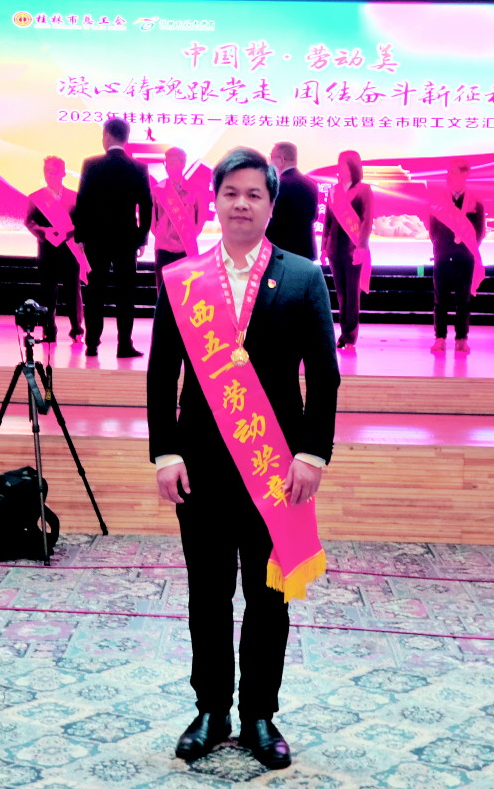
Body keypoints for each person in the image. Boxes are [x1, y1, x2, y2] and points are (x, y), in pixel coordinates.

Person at [147, 147, 339, 770]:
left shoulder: (304, 277)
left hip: (275, 470)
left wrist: (311, 454)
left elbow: (325, 376)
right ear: (215, 202)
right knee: (207, 595)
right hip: (200, 468)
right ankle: (210, 710)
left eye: (254, 194)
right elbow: (161, 375)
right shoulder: (183, 278)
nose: (241, 204)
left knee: (267, 596)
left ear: (271, 205)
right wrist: (165, 452)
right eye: (231, 193)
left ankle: (259, 712)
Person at [73, 118, 152, 358]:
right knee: (125, 294)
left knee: (95, 292)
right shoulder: (138, 167)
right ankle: (124, 345)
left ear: (107, 135)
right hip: (126, 239)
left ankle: (92, 344)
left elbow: (82, 201)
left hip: (96, 239)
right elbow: (146, 205)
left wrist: (80, 236)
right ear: (126, 138)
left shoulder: (91, 164)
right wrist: (142, 238)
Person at [25, 156, 89, 343]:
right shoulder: (36, 198)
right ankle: (48, 330)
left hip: (69, 250)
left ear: (63, 173)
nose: (49, 176)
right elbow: (29, 222)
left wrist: (70, 232)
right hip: (47, 250)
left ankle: (77, 330)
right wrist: (44, 231)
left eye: (54, 172)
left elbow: (83, 223)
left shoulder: (75, 197)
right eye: (47, 172)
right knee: (48, 293)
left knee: (73, 293)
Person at [429, 159, 485, 354]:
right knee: (440, 300)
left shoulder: (475, 202)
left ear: (464, 175)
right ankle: (440, 338)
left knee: (463, 301)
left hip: (465, 259)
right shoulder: (438, 201)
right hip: (443, 257)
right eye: (448, 172)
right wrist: (440, 248)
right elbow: (433, 230)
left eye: (453, 172)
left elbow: (479, 232)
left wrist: (468, 249)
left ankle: (461, 338)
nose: (448, 176)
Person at [321, 150, 373, 350]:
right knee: (341, 294)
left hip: (353, 250)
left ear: (353, 167)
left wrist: (362, 246)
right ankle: (343, 333)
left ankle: (350, 336)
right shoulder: (333, 191)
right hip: (335, 250)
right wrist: (324, 248)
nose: (340, 168)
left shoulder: (364, 190)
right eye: (339, 164)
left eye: (344, 164)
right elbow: (327, 222)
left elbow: (367, 221)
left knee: (352, 295)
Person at [151, 147, 205, 293]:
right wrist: (163, 235)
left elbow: (200, 220)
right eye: (166, 163)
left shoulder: (195, 190)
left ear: (182, 164)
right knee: (163, 292)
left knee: (185, 292)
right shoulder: (158, 190)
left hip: (185, 248)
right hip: (163, 248)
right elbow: (153, 221)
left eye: (173, 163)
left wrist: (188, 236)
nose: (168, 167)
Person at [266, 141, 319, 260]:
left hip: (283, 252)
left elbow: (274, 221)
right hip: (306, 250)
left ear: (281, 160)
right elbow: (315, 217)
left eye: (272, 158)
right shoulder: (311, 184)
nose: (270, 162)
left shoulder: (279, 185)